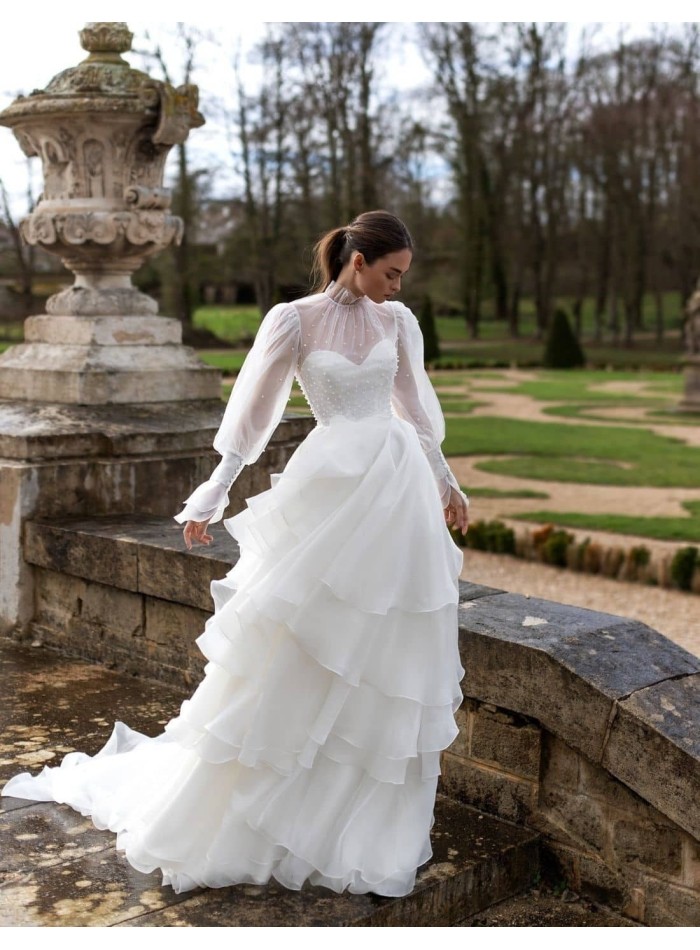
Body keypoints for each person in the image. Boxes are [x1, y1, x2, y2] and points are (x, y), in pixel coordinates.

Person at [2, 210, 470, 898]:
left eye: (404, 277)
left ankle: (354, 813)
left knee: (384, 645)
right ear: (358, 260)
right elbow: (256, 412)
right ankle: (266, 800)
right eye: (391, 273)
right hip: (331, 490)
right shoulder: (295, 320)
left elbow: (415, 410)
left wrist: (447, 482)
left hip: (394, 494)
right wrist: (213, 492)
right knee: (299, 639)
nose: (398, 288)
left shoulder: (399, 324)